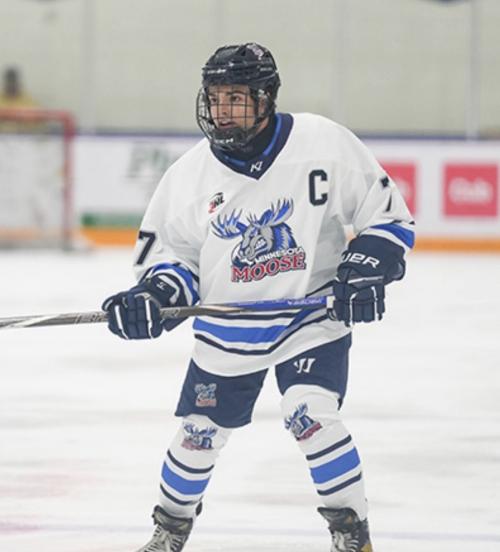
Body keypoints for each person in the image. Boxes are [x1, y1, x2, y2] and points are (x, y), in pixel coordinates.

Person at [103, 42, 415, 552]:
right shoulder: (187, 177)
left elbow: (386, 216)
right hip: (228, 331)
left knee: (311, 417)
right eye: (214, 98)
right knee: (198, 436)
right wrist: (154, 297)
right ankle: (169, 531)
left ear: (265, 97)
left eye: (235, 98)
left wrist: (367, 266)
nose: (221, 110)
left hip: (310, 315)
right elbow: (172, 260)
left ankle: (351, 534)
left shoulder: (322, 143)